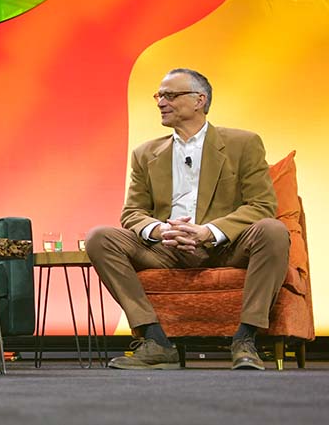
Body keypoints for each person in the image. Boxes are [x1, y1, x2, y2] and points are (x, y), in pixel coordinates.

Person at [86, 68, 289, 370]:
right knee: (100, 237)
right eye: (159, 96)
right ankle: (155, 341)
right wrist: (160, 230)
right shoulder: (146, 153)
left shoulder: (243, 144)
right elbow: (132, 213)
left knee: (273, 230)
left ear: (199, 100)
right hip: (167, 248)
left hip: (224, 247)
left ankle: (245, 340)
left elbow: (261, 205)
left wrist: (209, 232)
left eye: (170, 95)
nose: (161, 102)